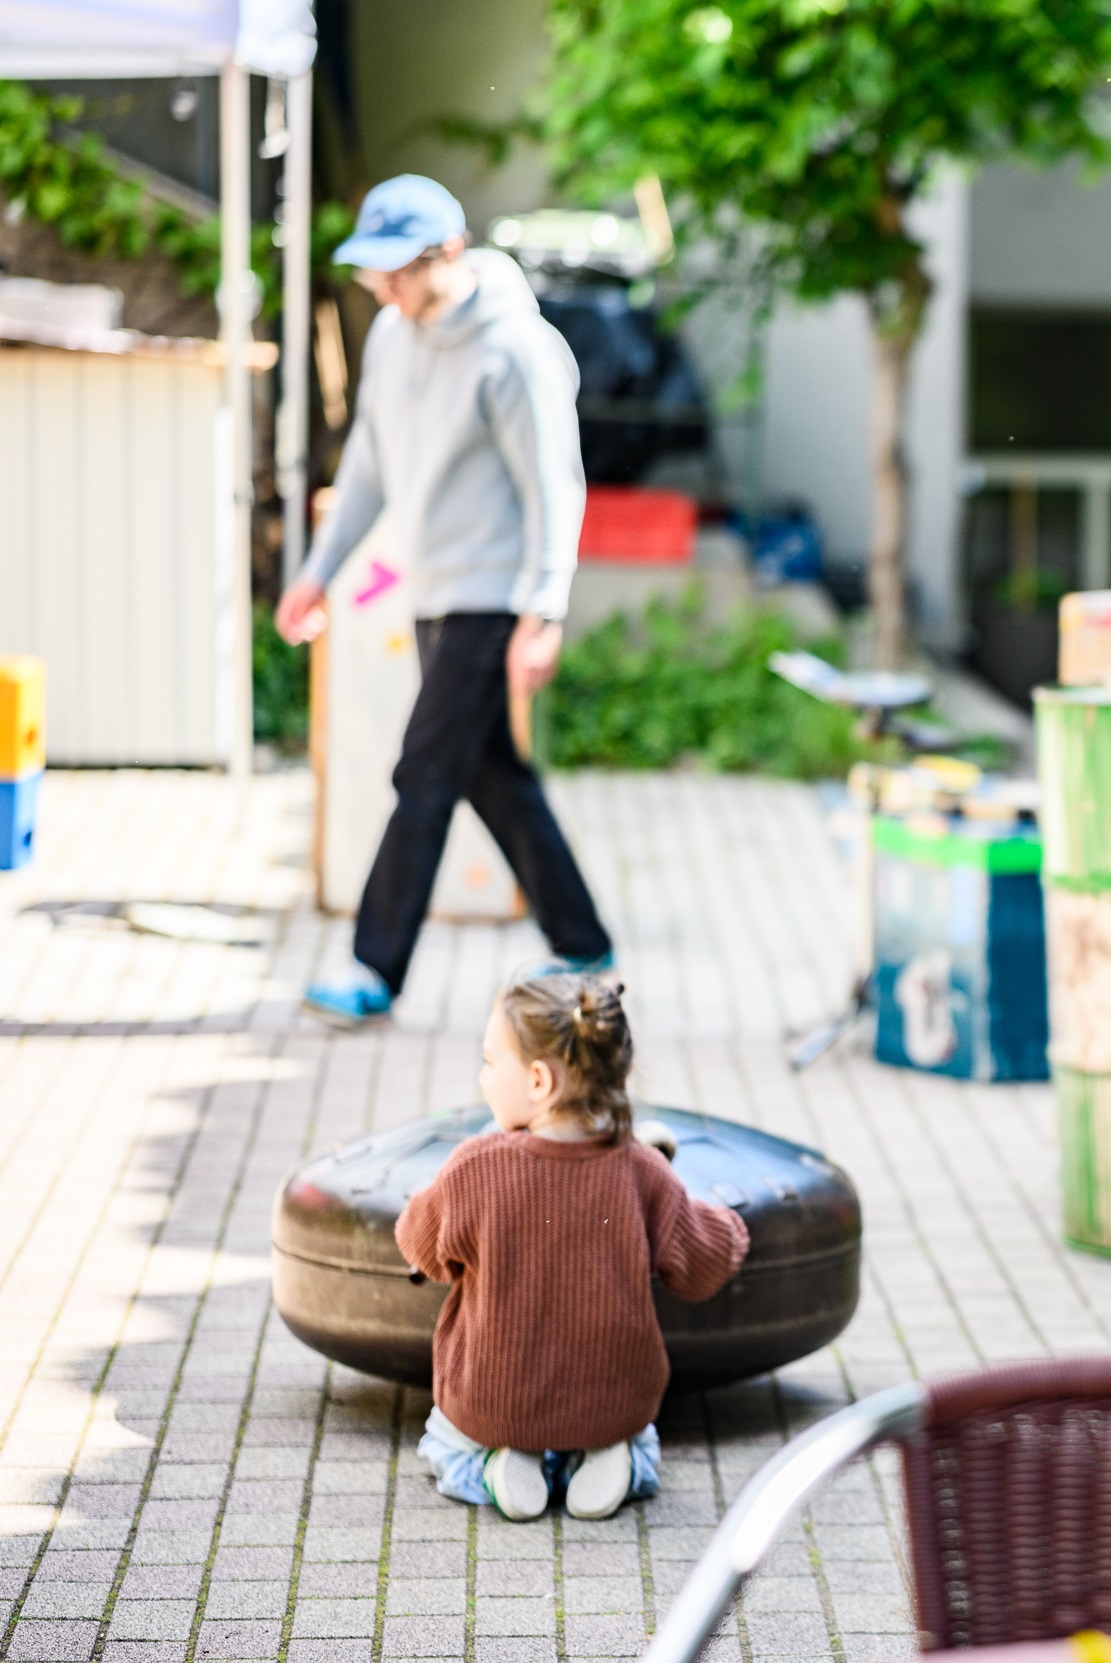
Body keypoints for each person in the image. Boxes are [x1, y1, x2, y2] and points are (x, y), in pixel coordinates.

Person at [278, 174, 614, 1028]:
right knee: (490, 775)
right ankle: (583, 942)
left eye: (400, 271)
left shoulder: (516, 350)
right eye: (375, 274)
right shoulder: (393, 337)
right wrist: (318, 571)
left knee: (423, 770)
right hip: (430, 590)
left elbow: (553, 487)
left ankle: (373, 967)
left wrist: (544, 610)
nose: (385, 290)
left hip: (492, 595)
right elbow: (368, 468)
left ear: (450, 253)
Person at [400, 973, 749, 1522]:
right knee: (635, 1433)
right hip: (611, 1403)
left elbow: (419, 1245)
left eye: (491, 1062)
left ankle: (498, 1466)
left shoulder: (476, 1167)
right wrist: (731, 1225)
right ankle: (616, 1460)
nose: (482, 1075)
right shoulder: (642, 1170)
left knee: (444, 1442)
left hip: (497, 1402)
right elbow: (703, 1264)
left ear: (538, 1081)